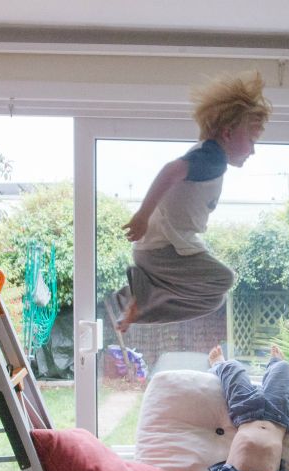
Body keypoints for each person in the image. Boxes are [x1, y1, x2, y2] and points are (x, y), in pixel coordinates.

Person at [111, 70, 272, 331]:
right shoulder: (212, 158)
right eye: (252, 140)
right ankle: (141, 293)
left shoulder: (208, 157)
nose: (253, 150)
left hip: (168, 250)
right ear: (228, 133)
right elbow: (170, 171)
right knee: (224, 279)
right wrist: (142, 215)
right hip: (164, 251)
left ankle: (137, 300)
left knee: (213, 300)